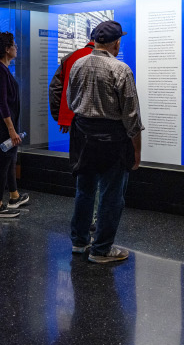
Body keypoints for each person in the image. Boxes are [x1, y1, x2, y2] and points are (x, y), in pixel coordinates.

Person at [65, 20, 139, 264]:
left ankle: (79, 241)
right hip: (112, 139)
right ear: (117, 43)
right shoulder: (121, 69)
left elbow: (70, 100)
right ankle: (102, 249)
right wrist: (136, 152)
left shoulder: (77, 64)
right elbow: (131, 115)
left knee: (84, 189)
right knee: (111, 195)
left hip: (83, 136)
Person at [0, 32, 30, 218]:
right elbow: (2, 103)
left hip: (2, 119)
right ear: (6, 49)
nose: (16, 48)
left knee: (10, 158)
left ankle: (14, 196)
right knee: (2, 162)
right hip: (1, 121)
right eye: (14, 45)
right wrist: (11, 130)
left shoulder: (1, 67)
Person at [49, 40, 95, 134]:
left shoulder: (69, 57)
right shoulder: (105, 60)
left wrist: (60, 116)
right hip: (99, 121)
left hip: (73, 119)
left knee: (77, 147)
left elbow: (55, 88)